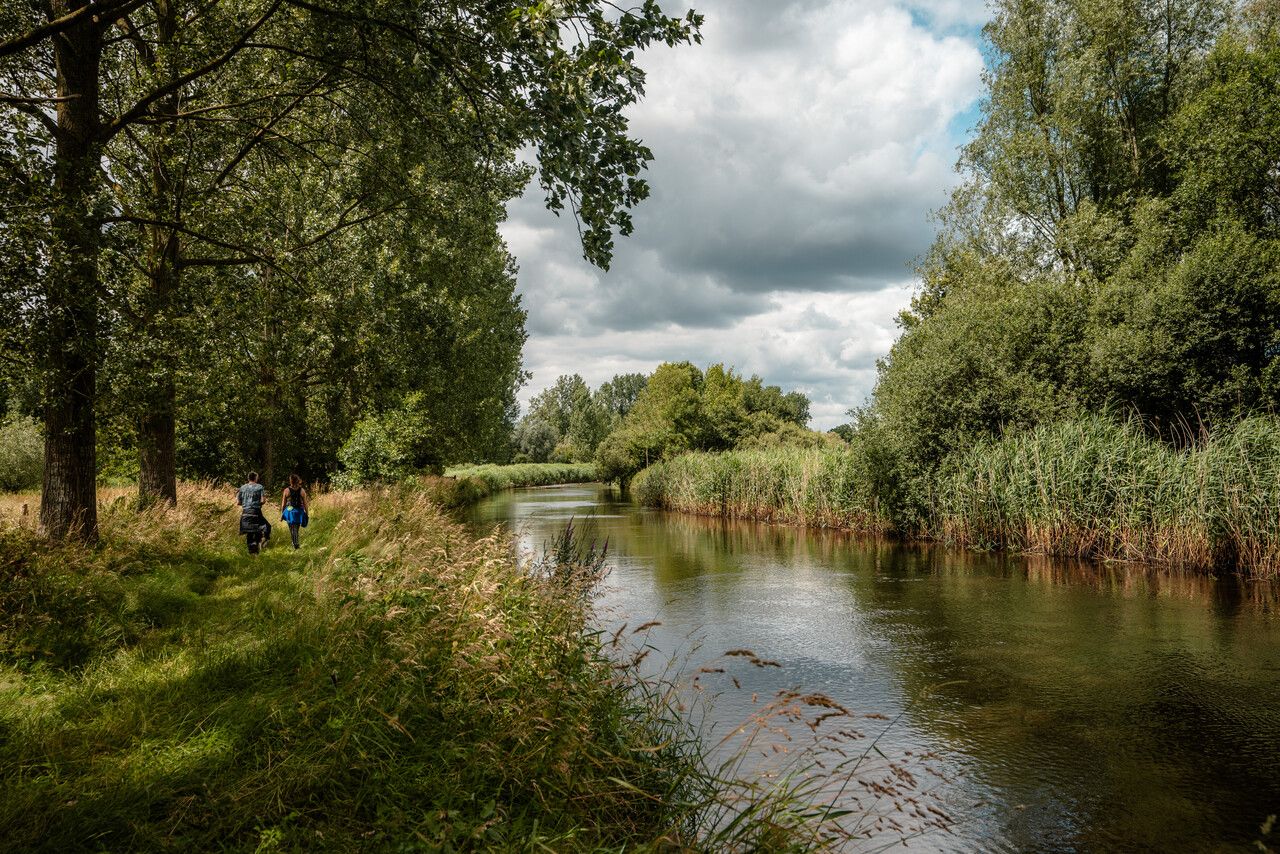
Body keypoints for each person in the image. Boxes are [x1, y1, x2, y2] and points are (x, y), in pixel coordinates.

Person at [237, 471, 271, 554]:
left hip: (245, 513)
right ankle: (264, 540)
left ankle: (252, 554)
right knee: (266, 527)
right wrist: (258, 503)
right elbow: (263, 500)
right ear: (255, 478)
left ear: (248, 478)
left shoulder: (242, 488)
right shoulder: (259, 487)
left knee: (250, 532)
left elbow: (238, 502)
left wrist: (245, 503)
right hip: (256, 512)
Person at [280, 474, 310, 549]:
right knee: (296, 528)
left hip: (290, 510)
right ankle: (295, 542)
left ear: (290, 481)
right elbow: (305, 504)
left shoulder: (286, 490)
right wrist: (307, 514)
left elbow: (283, 504)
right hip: (299, 511)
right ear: (298, 481)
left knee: (292, 528)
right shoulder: (302, 490)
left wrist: (282, 514)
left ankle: (295, 544)